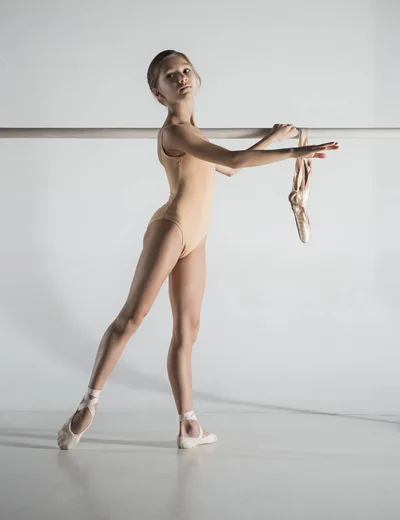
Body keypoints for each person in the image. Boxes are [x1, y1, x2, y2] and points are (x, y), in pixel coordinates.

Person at [57, 49, 339, 450]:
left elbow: (226, 167)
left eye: (186, 70)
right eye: (171, 75)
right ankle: (89, 404)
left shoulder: (195, 132)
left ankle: (189, 425)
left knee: (187, 331)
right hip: (171, 227)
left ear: (198, 76)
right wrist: (295, 153)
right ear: (159, 93)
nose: (182, 77)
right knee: (132, 318)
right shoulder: (174, 131)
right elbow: (232, 157)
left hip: (196, 236)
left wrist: (272, 138)